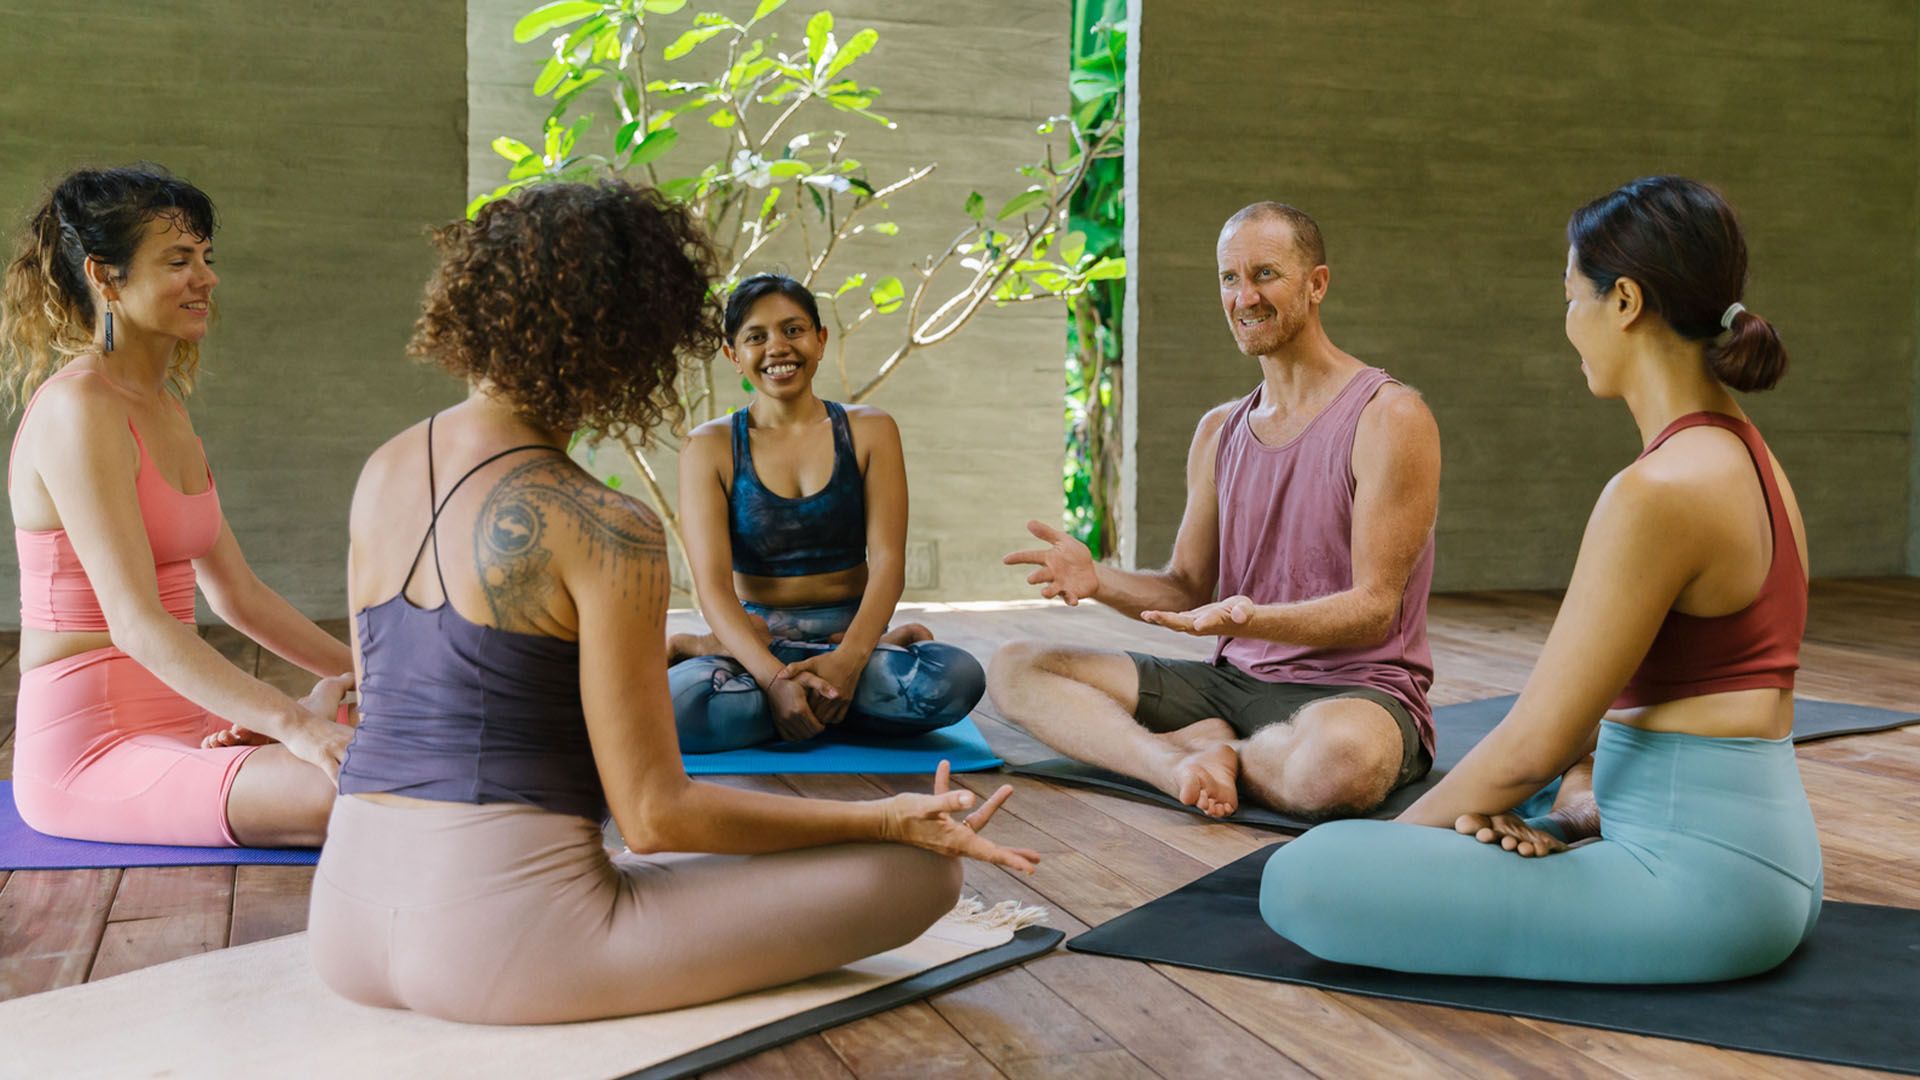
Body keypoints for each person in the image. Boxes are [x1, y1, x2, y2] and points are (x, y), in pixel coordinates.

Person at [308, 182, 1038, 1025]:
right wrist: (886, 819)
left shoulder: (384, 470)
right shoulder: (604, 523)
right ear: (627, 341)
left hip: (346, 920)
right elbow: (655, 817)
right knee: (921, 870)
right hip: (504, 950)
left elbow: (425, 690)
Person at [1261, 176, 1821, 983]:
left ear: (1623, 300)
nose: (1568, 326)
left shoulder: (1657, 492)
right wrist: (1569, 812)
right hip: (1769, 866)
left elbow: (1537, 743)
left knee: (1307, 875)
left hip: (1700, 895)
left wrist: (1395, 849)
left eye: (1571, 299)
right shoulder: (1752, 457)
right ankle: (1567, 826)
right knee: (1507, 812)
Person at [991, 202, 1441, 820]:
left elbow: (1374, 608)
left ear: (1317, 285)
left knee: (1339, 764)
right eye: (1229, 278)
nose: (1243, 297)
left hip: (1354, 691)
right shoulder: (1218, 431)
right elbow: (1184, 588)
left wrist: (1251, 619)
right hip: (1230, 682)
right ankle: (1176, 762)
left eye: (1264, 274)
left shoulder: (1389, 417)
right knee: (1017, 668)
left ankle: (1217, 749)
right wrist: (1098, 581)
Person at [0, 164, 352, 848]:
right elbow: (133, 624)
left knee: (434, 748)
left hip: (195, 721)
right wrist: (292, 722)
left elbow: (239, 596)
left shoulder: (163, 409)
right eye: (179, 261)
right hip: (94, 749)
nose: (207, 278)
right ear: (106, 277)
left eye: (207, 259)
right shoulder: (79, 411)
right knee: (359, 795)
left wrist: (382, 683)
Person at [666, 273, 985, 751]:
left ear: (820, 340)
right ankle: (813, 695)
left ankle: (816, 693)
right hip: (755, 642)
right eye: (756, 337)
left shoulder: (871, 430)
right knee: (678, 708)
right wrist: (773, 679)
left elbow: (888, 563)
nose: (778, 347)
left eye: (793, 330)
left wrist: (850, 659)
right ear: (734, 355)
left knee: (957, 679)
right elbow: (711, 586)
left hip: (849, 634)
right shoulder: (709, 447)